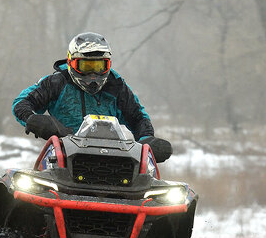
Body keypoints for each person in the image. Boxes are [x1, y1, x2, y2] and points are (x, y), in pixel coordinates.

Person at [12, 32, 172, 163]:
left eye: (99, 67)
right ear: (71, 62)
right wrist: (34, 119)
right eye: (86, 67)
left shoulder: (117, 86)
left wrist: (147, 140)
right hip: (62, 156)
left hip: (115, 157)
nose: (93, 75)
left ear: (108, 65)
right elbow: (22, 103)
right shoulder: (56, 82)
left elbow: (138, 118)